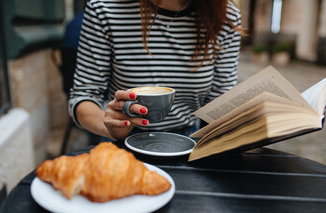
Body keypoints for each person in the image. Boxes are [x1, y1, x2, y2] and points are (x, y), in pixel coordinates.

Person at [68, 0, 242, 141]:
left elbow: (220, 100)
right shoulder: (104, 9)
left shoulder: (225, 17)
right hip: (122, 140)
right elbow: (84, 97)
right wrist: (111, 128)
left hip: (188, 141)